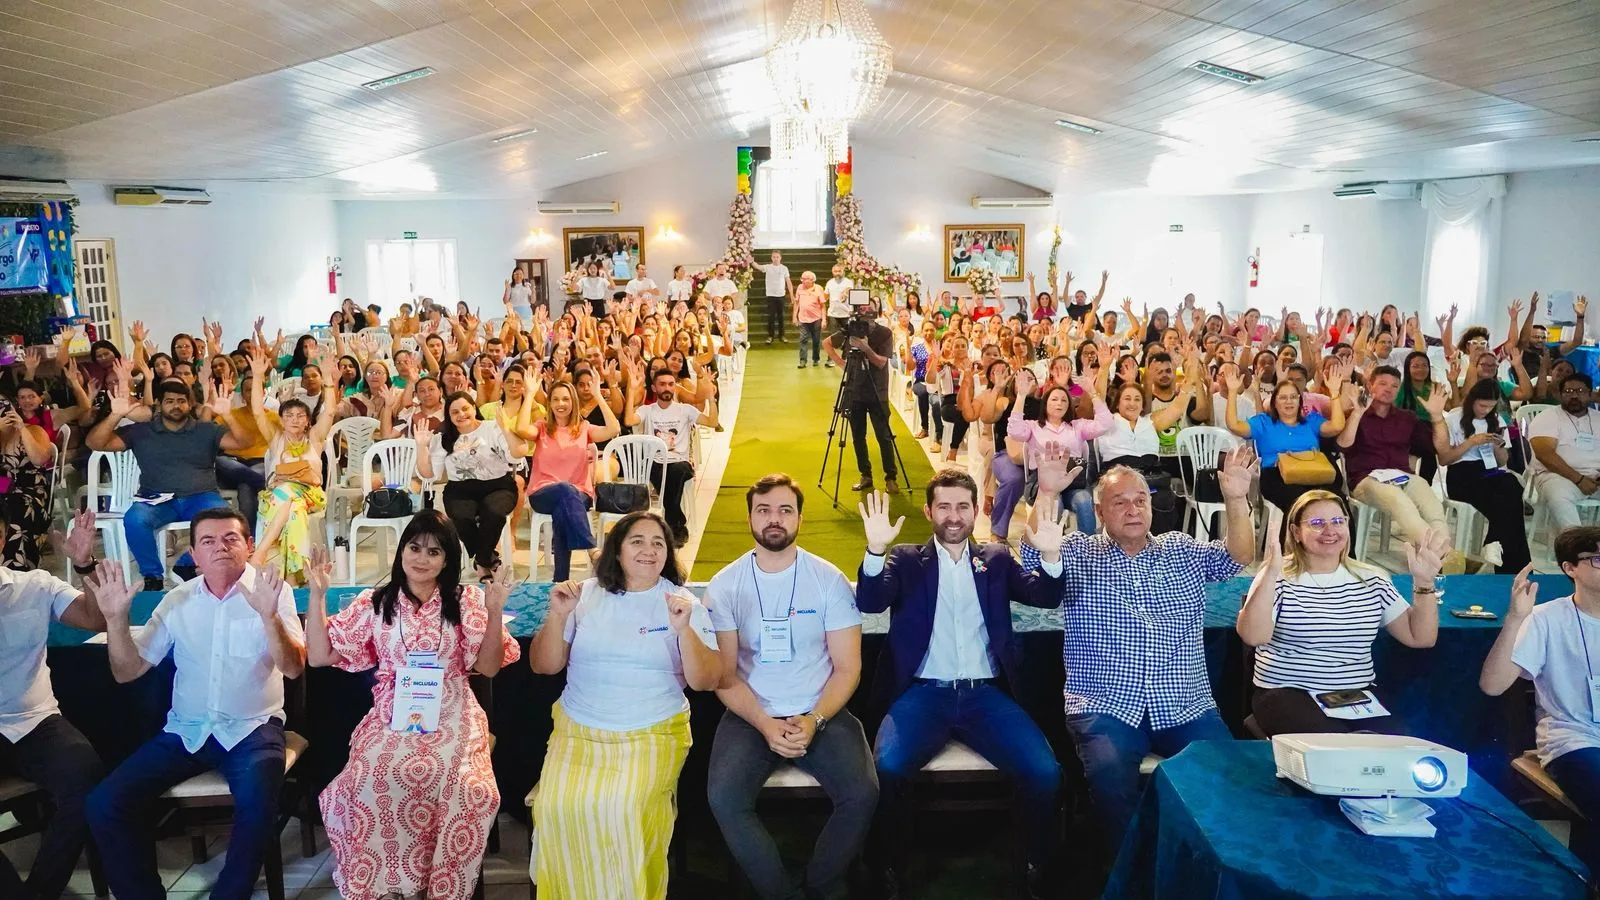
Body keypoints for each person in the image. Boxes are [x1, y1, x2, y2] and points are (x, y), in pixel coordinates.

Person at [1021, 448, 1257, 856]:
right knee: (1111, 781)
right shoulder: (1078, 551)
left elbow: (1238, 557)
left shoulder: (1180, 549)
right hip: (1106, 704)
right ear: (1099, 510)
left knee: (1227, 774)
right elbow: (1033, 555)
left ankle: (1205, 865)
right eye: (1120, 502)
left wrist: (1236, 500)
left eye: (1140, 500)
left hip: (1185, 704)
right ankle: (1129, 874)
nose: (1132, 509)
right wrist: (1045, 493)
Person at [856, 470, 1068, 897]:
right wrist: (875, 550)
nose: (954, 516)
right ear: (929, 510)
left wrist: (1049, 558)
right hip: (921, 695)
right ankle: (890, 867)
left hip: (986, 696)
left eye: (963, 507)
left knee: (1045, 772)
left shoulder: (997, 558)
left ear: (976, 510)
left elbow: (1045, 596)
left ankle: (1034, 864)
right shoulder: (905, 559)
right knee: (888, 770)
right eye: (945, 506)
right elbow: (870, 600)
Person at [87, 508, 307, 900]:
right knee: (105, 802)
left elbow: (292, 668)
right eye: (208, 541)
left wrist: (268, 615)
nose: (219, 548)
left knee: (257, 803)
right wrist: (115, 619)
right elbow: (127, 671)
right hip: (185, 731)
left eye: (230, 539)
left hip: (252, 729)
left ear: (249, 546)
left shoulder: (274, 592)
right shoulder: (178, 599)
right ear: (193, 553)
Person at [307, 514, 519, 900]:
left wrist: (494, 611)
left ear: (447, 559)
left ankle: (442, 888)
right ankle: (389, 888)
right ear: (401, 550)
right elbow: (320, 656)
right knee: (368, 779)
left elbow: (488, 667)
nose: (422, 558)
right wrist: (317, 597)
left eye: (434, 551)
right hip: (393, 710)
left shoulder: (466, 600)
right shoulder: (375, 602)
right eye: (414, 547)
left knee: (466, 787)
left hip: (453, 705)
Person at [526, 511, 720, 898]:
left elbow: (707, 680)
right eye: (637, 541)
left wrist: (684, 631)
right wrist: (557, 615)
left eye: (658, 543)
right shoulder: (583, 595)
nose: (648, 550)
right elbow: (543, 666)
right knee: (554, 810)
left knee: (623, 810)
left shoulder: (682, 604)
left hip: (652, 733)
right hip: (580, 733)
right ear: (617, 549)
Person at [704, 475, 876, 900]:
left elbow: (848, 667)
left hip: (821, 710)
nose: (774, 519)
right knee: (724, 799)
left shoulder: (828, 579)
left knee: (863, 794)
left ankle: (821, 883)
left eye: (784, 510)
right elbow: (724, 675)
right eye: (764, 510)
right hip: (750, 713)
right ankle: (781, 893)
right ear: (749, 518)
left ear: (799, 517)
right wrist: (764, 723)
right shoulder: (725, 585)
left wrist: (814, 719)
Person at [1239, 491, 1446, 736]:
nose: (1330, 531)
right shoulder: (1277, 576)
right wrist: (1270, 574)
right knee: (1333, 746)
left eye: (1338, 522)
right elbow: (1253, 637)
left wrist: (1424, 582)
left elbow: (1420, 637)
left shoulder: (1372, 579)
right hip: (1286, 692)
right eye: (1317, 523)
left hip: (1355, 694)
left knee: (1396, 747)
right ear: (1296, 532)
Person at [0, 508, 107, 900]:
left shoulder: (35, 585)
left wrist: (84, 564)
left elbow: (97, 620)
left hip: (34, 721)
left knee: (87, 778)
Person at [1481, 533, 1600, 875]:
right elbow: (1492, 685)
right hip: (1574, 740)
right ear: (1570, 568)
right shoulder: (1547, 618)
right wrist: (1515, 618)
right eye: (1597, 559)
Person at [86, 378, 253, 591]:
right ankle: (153, 577)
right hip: (155, 499)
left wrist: (227, 415)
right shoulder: (141, 431)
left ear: (190, 404)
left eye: (181, 401)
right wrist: (116, 415)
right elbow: (95, 443)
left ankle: (186, 563)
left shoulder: (205, 430)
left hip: (201, 496)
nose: (176, 405)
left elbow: (245, 442)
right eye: (170, 401)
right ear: (158, 404)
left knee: (227, 521)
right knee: (135, 519)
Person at [414, 392, 529, 578]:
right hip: (460, 489)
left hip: (498, 485)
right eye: (455, 412)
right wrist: (421, 447)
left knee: (493, 512)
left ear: (474, 408)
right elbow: (429, 475)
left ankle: (482, 561)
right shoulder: (444, 438)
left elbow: (516, 454)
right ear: (449, 417)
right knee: (461, 517)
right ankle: (488, 558)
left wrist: (506, 428)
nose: (461, 414)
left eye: (465, 408)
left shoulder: (492, 428)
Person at [246, 350, 337, 581]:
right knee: (293, 511)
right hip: (285, 498)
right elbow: (257, 411)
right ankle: (294, 578)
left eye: (300, 416)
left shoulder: (314, 439)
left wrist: (327, 380)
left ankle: (262, 553)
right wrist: (258, 377)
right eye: (289, 415)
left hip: (310, 493)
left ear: (307, 421)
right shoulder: (276, 440)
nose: (294, 419)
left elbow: (331, 412)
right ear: (282, 420)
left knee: (285, 495)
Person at [1336, 366, 1448, 548]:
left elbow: (1440, 448)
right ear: (1370, 385)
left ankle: (1443, 551)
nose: (1389, 389)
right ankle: (1437, 551)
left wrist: (1436, 417)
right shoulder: (1356, 413)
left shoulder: (1407, 418)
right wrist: (1357, 413)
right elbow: (1342, 445)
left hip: (1401, 475)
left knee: (1426, 493)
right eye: (1382, 383)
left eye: (1395, 386)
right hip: (1366, 480)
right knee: (1397, 498)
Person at [521, 381, 621, 580]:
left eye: (566, 399)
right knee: (564, 491)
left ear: (573, 402)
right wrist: (531, 393)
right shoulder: (542, 428)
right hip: (543, 493)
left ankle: (560, 579)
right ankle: (592, 549)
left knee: (563, 507)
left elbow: (613, 429)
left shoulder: (583, 428)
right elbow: (522, 428)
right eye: (556, 399)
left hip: (579, 494)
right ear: (549, 403)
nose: (561, 403)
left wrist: (598, 396)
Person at [1433, 378, 1531, 573]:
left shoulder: (1496, 420)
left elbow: (1502, 462)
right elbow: (1445, 459)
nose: (1485, 410)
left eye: (1490, 407)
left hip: (1488, 470)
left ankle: (1495, 541)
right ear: (1472, 401)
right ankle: (1513, 566)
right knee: (1509, 507)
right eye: (1482, 405)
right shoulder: (1454, 419)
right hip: (1461, 474)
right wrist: (1471, 442)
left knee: (1511, 483)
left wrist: (1498, 445)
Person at [1225, 362, 1349, 511]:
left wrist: (1334, 392)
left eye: (1293, 397)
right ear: (1274, 403)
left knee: (1338, 501)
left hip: (1313, 472)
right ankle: (1295, 534)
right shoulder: (1263, 422)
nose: (1289, 401)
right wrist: (1232, 392)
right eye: (1283, 398)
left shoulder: (1311, 421)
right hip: (1276, 475)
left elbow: (1337, 426)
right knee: (1302, 503)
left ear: (1299, 401)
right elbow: (1234, 425)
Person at [625, 369, 719, 547]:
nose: (667, 388)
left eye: (670, 384)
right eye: (662, 384)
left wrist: (711, 398)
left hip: (680, 463)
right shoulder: (647, 410)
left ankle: (672, 524)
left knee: (676, 470)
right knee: (665, 473)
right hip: (655, 463)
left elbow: (712, 422)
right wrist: (631, 390)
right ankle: (676, 525)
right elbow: (629, 420)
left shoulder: (685, 410)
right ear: (654, 388)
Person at [823, 300, 899, 494]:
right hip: (854, 389)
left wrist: (866, 349)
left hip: (877, 390)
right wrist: (842, 364)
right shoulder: (850, 330)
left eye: (869, 306)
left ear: (876, 310)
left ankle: (891, 477)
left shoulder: (884, 333)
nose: (865, 310)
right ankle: (865, 475)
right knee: (858, 436)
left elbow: (882, 363)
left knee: (884, 436)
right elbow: (827, 343)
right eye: (861, 307)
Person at [1529, 373, 1600, 533]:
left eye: (1580, 390)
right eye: (1568, 391)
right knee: (1559, 496)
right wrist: (1579, 479)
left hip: (1595, 477)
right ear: (1560, 395)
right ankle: (1577, 549)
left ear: (1590, 394)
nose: (1574, 395)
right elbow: (1545, 455)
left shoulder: (1597, 418)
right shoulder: (1547, 417)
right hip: (1558, 476)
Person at [0, 398, 55, 570]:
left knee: (16, 506)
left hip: (31, 491)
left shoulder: (34, 430)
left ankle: (19, 568)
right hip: (3, 490)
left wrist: (22, 428)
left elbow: (40, 460)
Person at [755, 251, 794, 344]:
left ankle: (782, 336)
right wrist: (751, 261)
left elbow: (788, 282)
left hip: (781, 296)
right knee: (771, 317)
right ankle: (770, 336)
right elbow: (758, 267)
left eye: (777, 257)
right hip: (770, 296)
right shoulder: (767, 267)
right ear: (771, 258)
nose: (775, 258)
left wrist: (792, 295)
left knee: (781, 317)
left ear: (780, 258)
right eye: (774, 257)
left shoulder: (784, 268)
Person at [793, 270, 827, 368]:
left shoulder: (819, 289)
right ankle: (802, 360)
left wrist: (824, 319)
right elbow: (797, 303)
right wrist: (794, 316)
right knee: (803, 339)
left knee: (816, 340)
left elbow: (823, 305)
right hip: (803, 319)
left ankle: (816, 359)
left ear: (812, 280)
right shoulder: (799, 287)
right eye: (802, 278)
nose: (802, 280)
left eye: (805, 279)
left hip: (816, 319)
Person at [823, 265, 855, 363]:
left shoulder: (848, 282)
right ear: (832, 272)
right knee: (832, 337)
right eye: (835, 271)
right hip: (833, 314)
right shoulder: (830, 283)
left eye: (839, 271)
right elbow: (825, 297)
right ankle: (831, 359)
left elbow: (849, 289)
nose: (837, 273)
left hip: (846, 313)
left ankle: (845, 357)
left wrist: (844, 294)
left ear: (843, 271)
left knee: (848, 336)